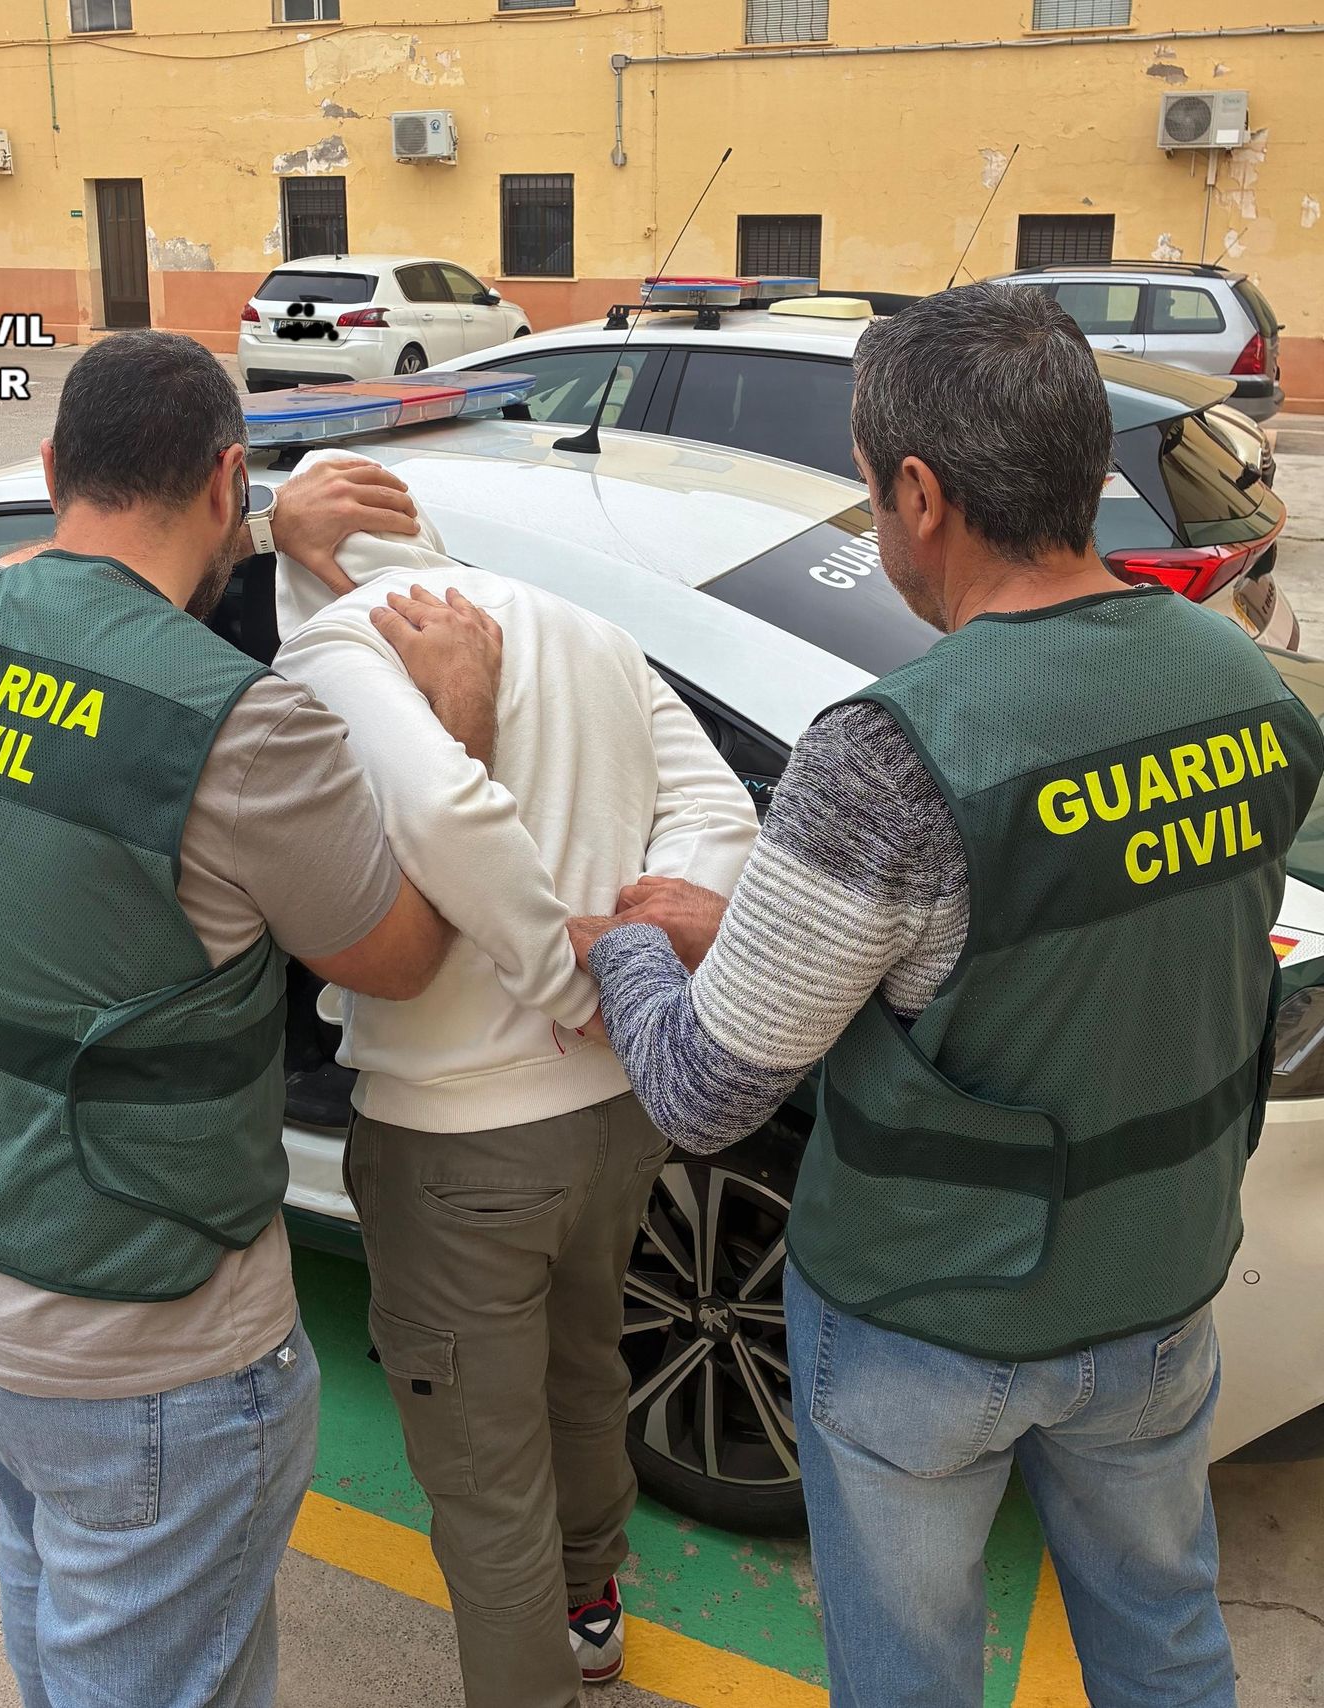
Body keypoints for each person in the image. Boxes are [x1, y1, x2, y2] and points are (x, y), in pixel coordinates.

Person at [567, 284, 1324, 1708]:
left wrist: (624, 947)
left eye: (868, 487)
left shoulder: (891, 753)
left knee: (908, 1678)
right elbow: (1061, 936)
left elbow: (704, 1093)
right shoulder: (1241, 679)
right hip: (1156, 1287)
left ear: (918, 493)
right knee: (1166, 1641)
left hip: (928, 1326)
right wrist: (771, 932)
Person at [0, 330, 499, 1708]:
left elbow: (40, 584)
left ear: (50, 471)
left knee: (55, 1588)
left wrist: (249, 526)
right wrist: (458, 728)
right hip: (136, 1341)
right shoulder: (241, 731)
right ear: (221, 479)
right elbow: (395, 959)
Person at [271, 452, 761, 1707]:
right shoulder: (586, 628)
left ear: (304, 561)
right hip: (615, 1111)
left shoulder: (332, 645)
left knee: (484, 1476)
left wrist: (563, 973)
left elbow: (440, 814)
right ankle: (592, 1606)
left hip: (458, 1143)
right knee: (585, 1372)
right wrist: (633, 954)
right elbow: (720, 815)